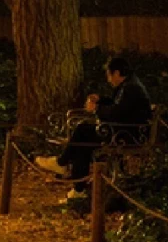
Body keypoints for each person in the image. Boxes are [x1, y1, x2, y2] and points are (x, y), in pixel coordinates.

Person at [42, 55, 153, 197]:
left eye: (109, 75)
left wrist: (95, 109)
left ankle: (64, 166)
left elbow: (117, 112)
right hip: (125, 131)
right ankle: (76, 187)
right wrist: (100, 100)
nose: (108, 80)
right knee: (83, 139)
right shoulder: (129, 85)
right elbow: (118, 106)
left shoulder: (130, 88)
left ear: (117, 73)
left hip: (125, 135)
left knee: (82, 132)